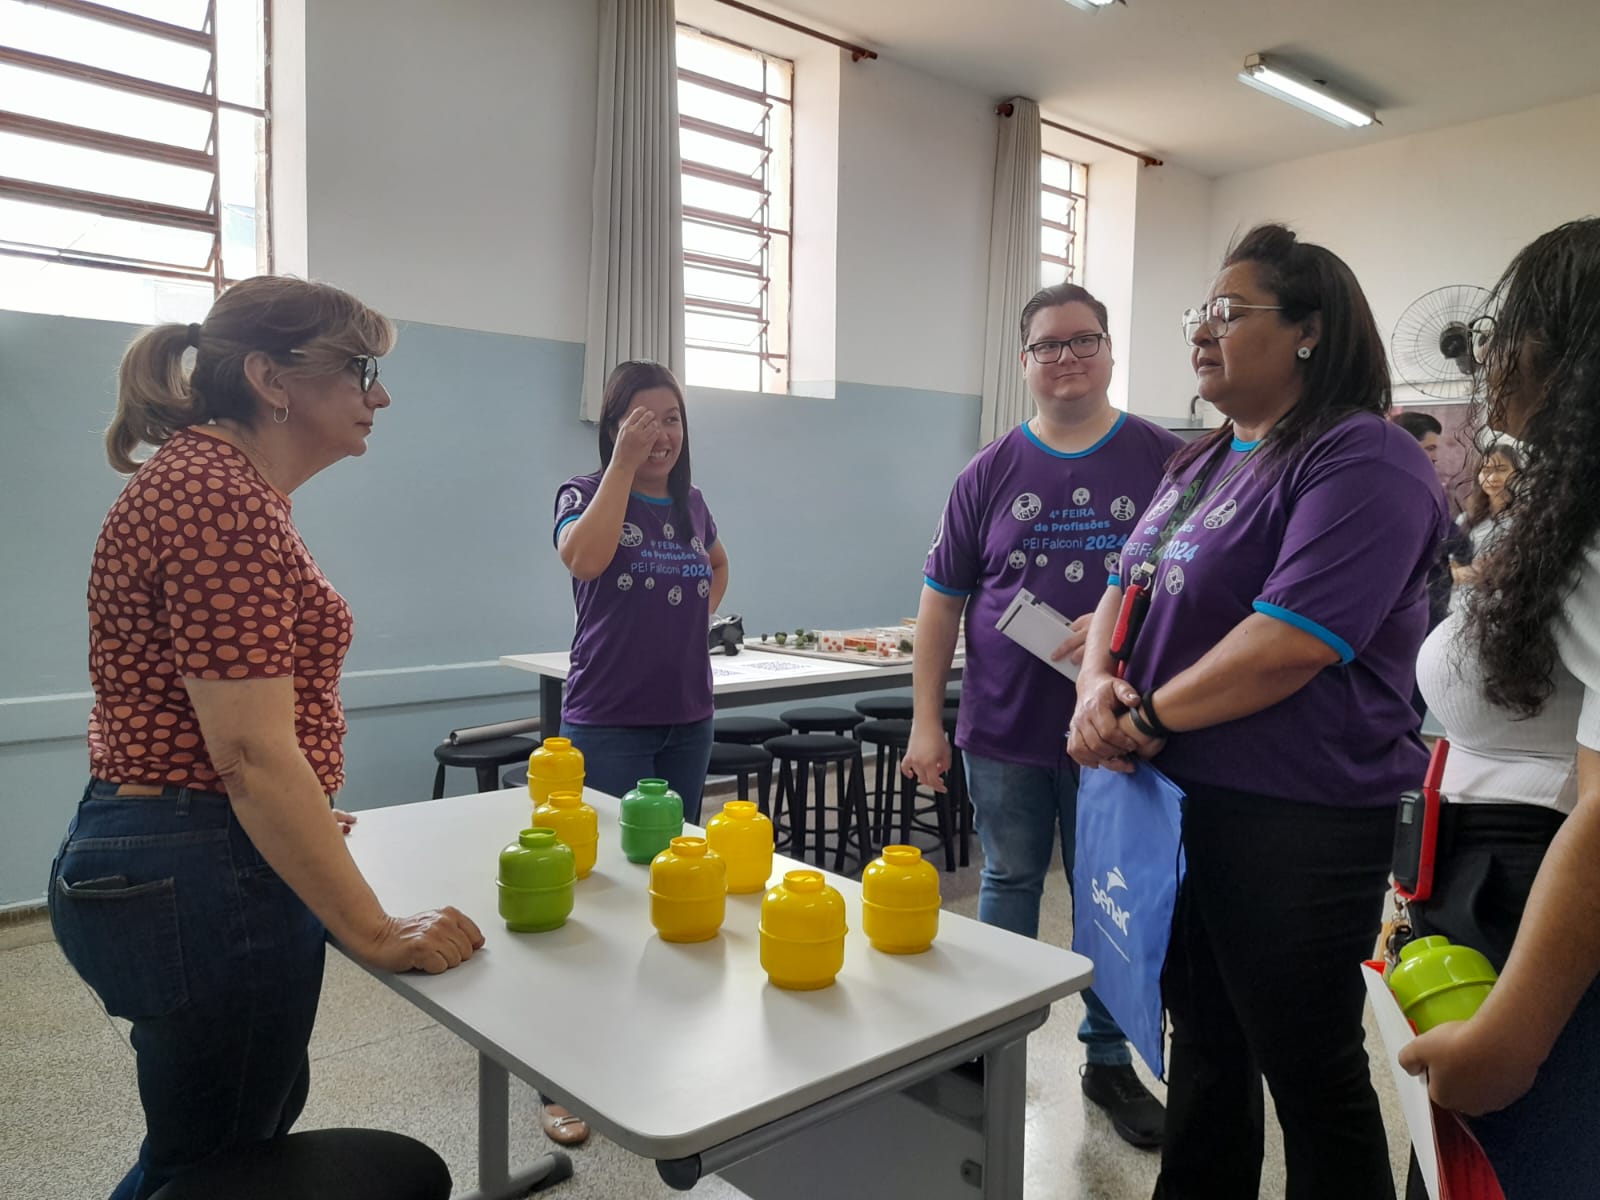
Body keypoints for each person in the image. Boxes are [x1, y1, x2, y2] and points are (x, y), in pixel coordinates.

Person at [47, 278, 485, 1200]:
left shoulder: (218, 485)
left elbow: (231, 735)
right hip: (199, 861)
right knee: (210, 1166)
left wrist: (304, 809)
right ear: (268, 378)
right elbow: (247, 755)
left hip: (187, 842)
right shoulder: (217, 495)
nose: (381, 396)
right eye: (360, 371)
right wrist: (372, 930)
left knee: (226, 1149)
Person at [1067, 224, 1447, 1199]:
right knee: (1204, 1043)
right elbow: (1122, 584)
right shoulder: (1196, 464)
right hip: (1179, 806)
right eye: (1200, 313)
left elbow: (1291, 639)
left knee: (1307, 1065)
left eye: (1228, 314)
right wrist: (1095, 686)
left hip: (1296, 815)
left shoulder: (1362, 456)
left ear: (1309, 332)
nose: (1202, 331)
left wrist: (1141, 716)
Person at [902, 282, 1181, 1148]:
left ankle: (1105, 1062)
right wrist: (925, 721)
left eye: (1083, 340)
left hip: (1120, 728)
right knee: (1011, 880)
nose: (1066, 357)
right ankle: (992, 1046)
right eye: (1048, 345)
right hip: (1005, 724)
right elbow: (941, 604)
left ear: (1108, 350)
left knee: (1110, 897)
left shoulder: (1166, 461)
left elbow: (1193, 590)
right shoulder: (986, 473)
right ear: (1024, 363)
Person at [1397, 218, 1600, 1198]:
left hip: (1541, 908)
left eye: (1506, 328)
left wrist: (1515, 1034)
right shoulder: (1554, 504)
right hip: (1484, 872)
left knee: (1522, 1167)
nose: (1488, 352)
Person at [545, 359, 727, 1142]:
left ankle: (651, 1041)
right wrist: (621, 464)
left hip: (687, 717)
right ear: (616, 425)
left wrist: (684, 619)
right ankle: (564, 1076)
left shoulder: (692, 505)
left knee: (670, 881)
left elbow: (715, 566)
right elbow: (582, 559)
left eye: (673, 419)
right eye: (644, 420)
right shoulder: (582, 493)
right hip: (609, 719)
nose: (661, 434)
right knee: (599, 899)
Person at [1446, 441, 1521, 610]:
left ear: (1517, 473)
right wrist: (1474, 572)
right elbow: (1448, 570)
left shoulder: (1522, 521)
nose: (1493, 478)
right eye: (1486, 471)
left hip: (1499, 609)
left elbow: (1508, 571)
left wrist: (1466, 571)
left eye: (1502, 469)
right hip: (1457, 607)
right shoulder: (1466, 519)